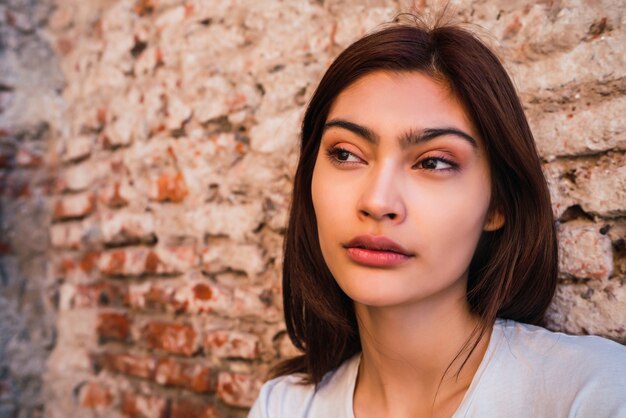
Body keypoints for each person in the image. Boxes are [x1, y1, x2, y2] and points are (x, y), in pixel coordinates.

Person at [248, 16, 626, 418]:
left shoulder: (591, 392)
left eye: (433, 162)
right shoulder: (285, 406)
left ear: (498, 204)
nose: (377, 202)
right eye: (345, 154)